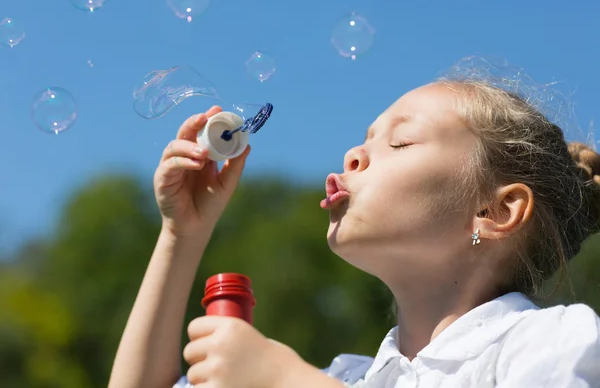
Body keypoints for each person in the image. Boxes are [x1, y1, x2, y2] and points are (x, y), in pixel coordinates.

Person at [108, 74, 600, 388]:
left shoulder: (545, 345)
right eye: (364, 139)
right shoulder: (354, 378)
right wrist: (182, 233)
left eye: (401, 142)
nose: (353, 155)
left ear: (495, 211)